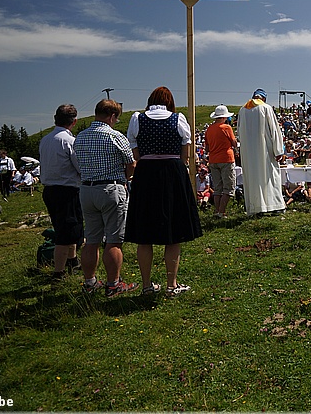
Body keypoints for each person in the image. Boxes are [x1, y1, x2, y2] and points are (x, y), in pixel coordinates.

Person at [126, 87, 203, 298]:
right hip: (173, 172)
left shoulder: (137, 119)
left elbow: (135, 152)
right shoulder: (178, 119)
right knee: (174, 231)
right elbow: (185, 152)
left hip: (146, 173)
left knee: (144, 234)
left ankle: (146, 286)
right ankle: (171, 285)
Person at [74, 99, 138, 297]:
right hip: (110, 188)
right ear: (112, 116)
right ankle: (113, 284)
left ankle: (90, 282)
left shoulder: (80, 137)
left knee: (91, 239)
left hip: (87, 189)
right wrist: (126, 178)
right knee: (113, 240)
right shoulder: (115, 136)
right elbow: (131, 164)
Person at [39, 104, 83, 278]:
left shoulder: (45, 140)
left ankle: (73, 260)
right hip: (67, 190)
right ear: (74, 121)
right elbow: (79, 167)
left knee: (64, 228)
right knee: (67, 232)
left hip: (49, 189)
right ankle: (59, 272)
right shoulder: (69, 141)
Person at [237, 89, 286, 215]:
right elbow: (274, 130)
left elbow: (239, 132)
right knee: (270, 176)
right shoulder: (266, 108)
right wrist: (278, 150)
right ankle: (275, 206)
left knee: (253, 179)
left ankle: (256, 207)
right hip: (265, 150)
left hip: (249, 153)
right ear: (263, 98)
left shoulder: (242, 110)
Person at [205, 105, 238, 218]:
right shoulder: (226, 127)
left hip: (213, 159)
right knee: (228, 187)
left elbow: (207, 148)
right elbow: (234, 143)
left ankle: (217, 211)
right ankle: (221, 211)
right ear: (224, 117)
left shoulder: (209, 129)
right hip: (226, 159)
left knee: (217, 187)